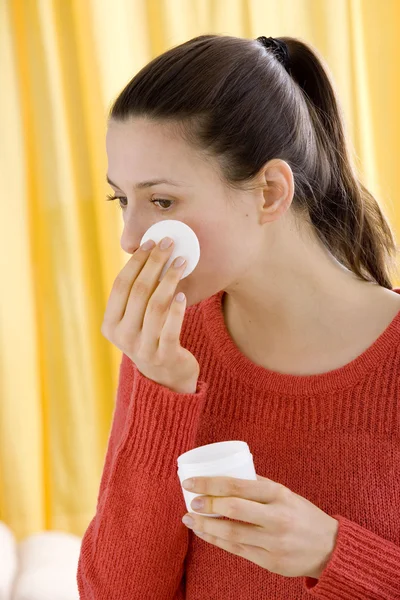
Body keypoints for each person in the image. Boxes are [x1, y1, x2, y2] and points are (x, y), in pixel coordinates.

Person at [77, 35, 400, 599]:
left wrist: (333, 554)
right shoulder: (171, 349)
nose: (130, 239)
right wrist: (160, 392)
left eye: (162, 202)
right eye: (121, 200)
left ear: (270, 191)